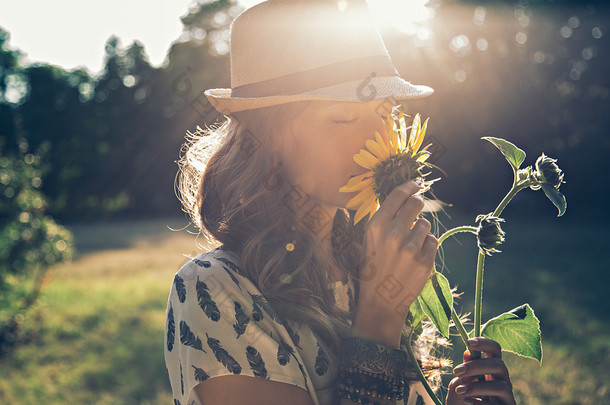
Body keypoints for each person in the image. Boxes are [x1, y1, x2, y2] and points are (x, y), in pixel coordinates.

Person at [164, 1, 517, 404]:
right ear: (271, 135)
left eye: (386, 112)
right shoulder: (215, 290)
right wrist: (381, 314)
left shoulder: (361, 266)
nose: (376, 140)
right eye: (343, 119)